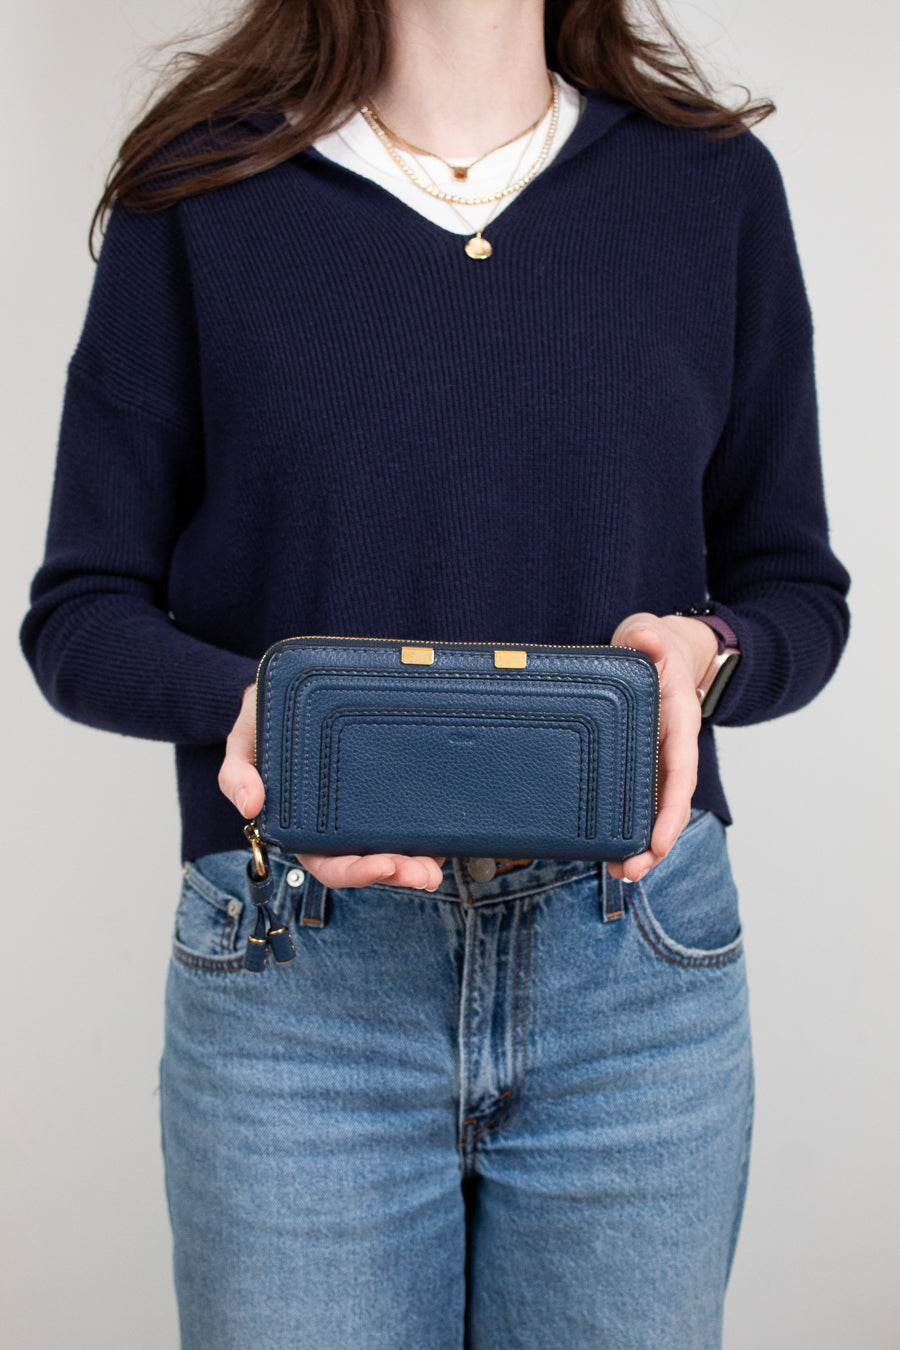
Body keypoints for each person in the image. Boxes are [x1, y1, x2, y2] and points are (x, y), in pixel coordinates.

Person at [19, 1, 851, 1346]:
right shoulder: (203, 193)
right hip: (298, 978)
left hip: (632, 980)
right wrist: (245, 712)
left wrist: (711, 654)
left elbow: (796, 590)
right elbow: (81, 612)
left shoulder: (712, 191)